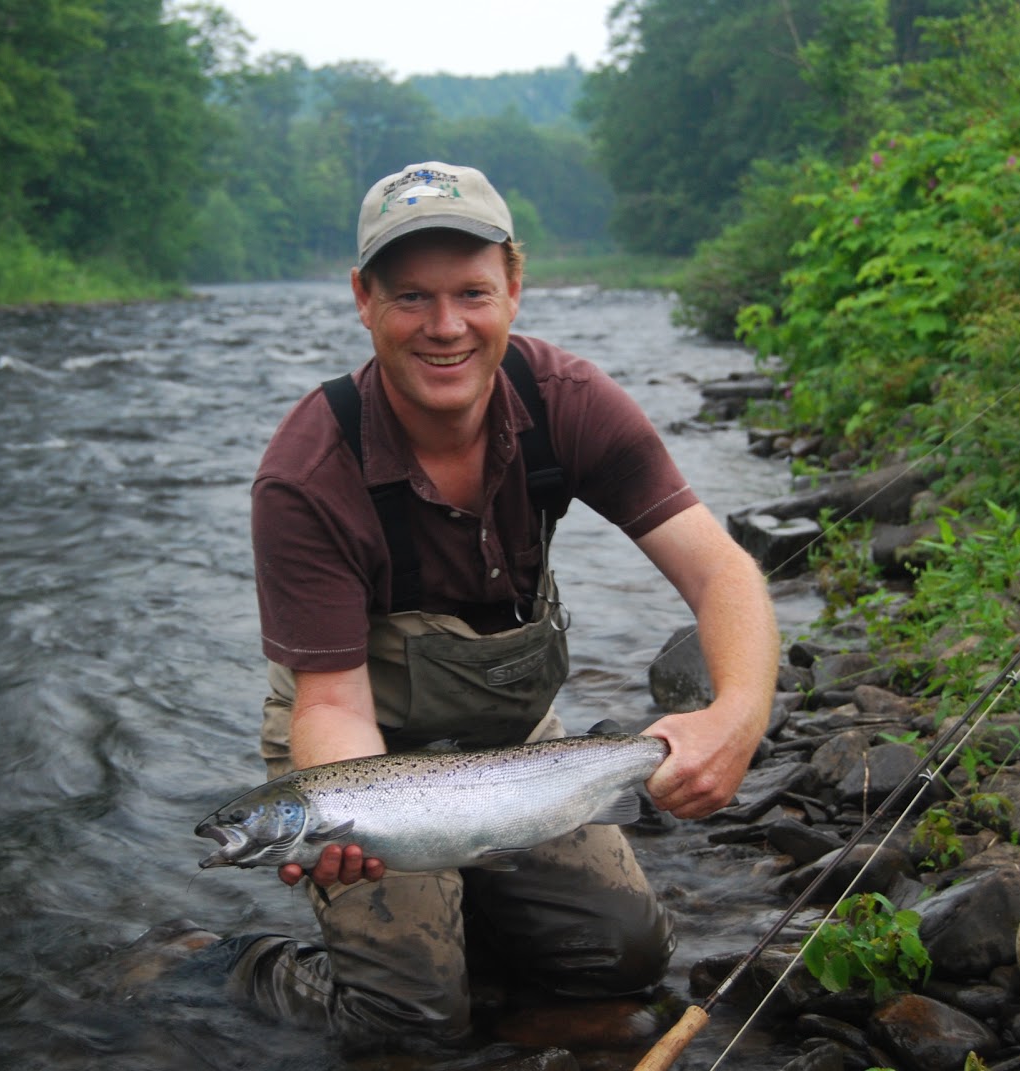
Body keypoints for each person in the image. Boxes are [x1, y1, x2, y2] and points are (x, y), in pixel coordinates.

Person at [218, 161, 780, 1051]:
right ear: (363, 300)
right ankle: (245, 966)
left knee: (625, 958)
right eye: (411, 297)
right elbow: (330, 704)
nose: (445, 326)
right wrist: (354, 824)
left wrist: (737, 715)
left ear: (514, 287)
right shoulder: (307, 475)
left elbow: (724, 574)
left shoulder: (568, 403)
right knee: (409, 1020)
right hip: (364, 748)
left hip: (516, 750)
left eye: (472, 293)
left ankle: (469, 914)